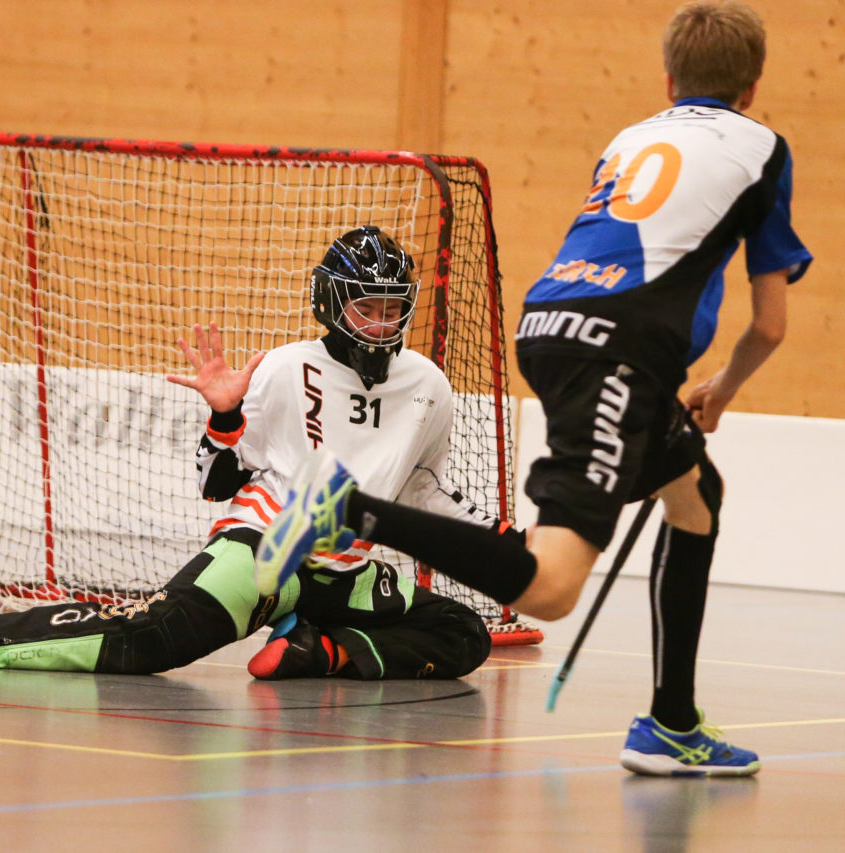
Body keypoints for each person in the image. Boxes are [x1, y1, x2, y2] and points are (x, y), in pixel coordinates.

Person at [256, 0, 811, 777]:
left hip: (549, 322)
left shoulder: (632, 137)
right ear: (752, 87)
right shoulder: (763, 149)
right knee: (550, 588)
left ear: (668, 77)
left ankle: (673, 722)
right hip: (614, 351)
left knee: (695, 495)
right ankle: (350, 508)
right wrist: (720, 386)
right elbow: (772, 326)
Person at [0, 226, 498, 682]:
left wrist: (495, 536)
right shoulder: (282, 369)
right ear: (331, 304)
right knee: (146, 642)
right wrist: (223, 413)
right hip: (266, 550)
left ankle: (315, 652)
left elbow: (417, 490)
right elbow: (218, 485)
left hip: (345, 575)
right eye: (368, 309)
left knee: (465, 633)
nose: (383, 326)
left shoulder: (427, 385)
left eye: (395, 310)